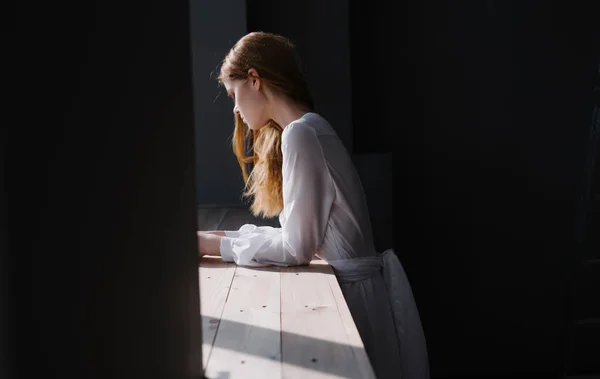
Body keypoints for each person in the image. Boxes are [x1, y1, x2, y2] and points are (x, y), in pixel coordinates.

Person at [197, 31, 429, 379]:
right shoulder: (310, 128)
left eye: (234, 94)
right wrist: (222, 237)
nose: (234, 108)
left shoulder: (300, 134)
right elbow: (300, 236)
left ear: (254, 80)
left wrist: (218, 245)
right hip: (355, 293)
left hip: (351, 302)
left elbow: (296, 248)